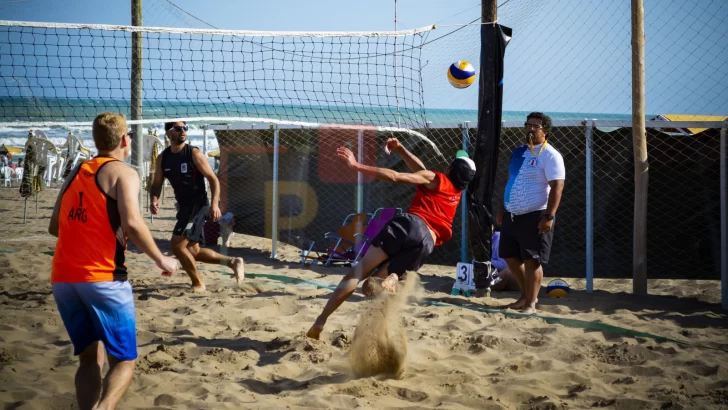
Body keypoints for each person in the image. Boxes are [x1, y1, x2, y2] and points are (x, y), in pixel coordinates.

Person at [48, 112, 178, 410]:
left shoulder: (76, 170)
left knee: (89, 360)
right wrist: (161, 260)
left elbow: (55, 227)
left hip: (64, 279)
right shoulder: (124, 172)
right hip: (103, 278)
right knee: (124, 361)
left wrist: (92, 228)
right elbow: (132, 223)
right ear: (124, 140)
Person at [307, 138, 476, 339]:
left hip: (410, 226)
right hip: (425, 244)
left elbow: (395, 176)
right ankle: (378, 324)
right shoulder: (454, 192)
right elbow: (420, 170)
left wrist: (355, 165)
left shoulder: (435, 178)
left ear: (449, 168)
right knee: (377, 287)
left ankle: (320, 321)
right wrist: (401, 149)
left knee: (356, 274)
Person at [149, 121, 244, 291]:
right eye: (178, 129)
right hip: (184, 207)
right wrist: (154, 199)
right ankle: (233, 262)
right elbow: (156, 183)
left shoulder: (193, 153)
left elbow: (213, 180)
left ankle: (197, 283)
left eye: (185, 128)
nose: (183, 131)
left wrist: (215, 205)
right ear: (169, 133)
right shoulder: (163, 158)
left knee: (177, 245)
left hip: (197, 206)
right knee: (193, 251)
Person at [496, 112, 565, 313]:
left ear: (546, 131)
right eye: (529, 125)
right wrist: (502, 208)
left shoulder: (551, 155)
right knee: (508, 255)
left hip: (535, 214)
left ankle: (531, 303)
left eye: (536, 126)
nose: (531, 129)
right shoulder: (519, 152)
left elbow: (557, 187)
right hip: (512, 214)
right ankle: (524, 296)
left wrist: (549, 216)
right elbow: (509, 180)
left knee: (532, 260)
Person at [489, 225, 521, 292]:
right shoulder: (482, 240)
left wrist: (487, 260)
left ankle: (488, 285)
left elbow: (504, 266)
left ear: (492, 227)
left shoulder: (499, 238)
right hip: (496, 271)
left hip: (510, 271)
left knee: (506, 273)